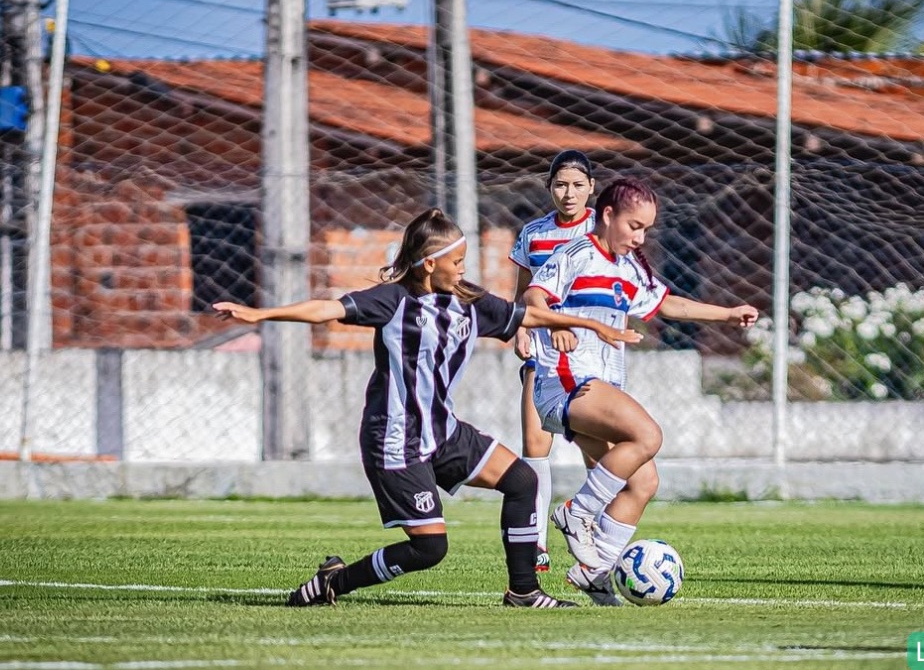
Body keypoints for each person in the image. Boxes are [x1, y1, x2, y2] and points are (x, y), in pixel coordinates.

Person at [214, 208, 641, 609]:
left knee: (521, 480)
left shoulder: (468, 301)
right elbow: (326, 309)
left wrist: (588, 324)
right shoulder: (393, 301)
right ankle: (333, 582)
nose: (463, 267)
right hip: (395, 439)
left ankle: (524, 591)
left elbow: (527, 316)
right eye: (457, 260)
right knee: (430, 548)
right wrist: (260, 314)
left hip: (444, 432)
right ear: (430, 263)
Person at [522, 177, 758, 604]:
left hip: (598, 390)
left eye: (647, 229)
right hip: (565, 383)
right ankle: (577, 513)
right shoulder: (575, 254)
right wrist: (558, 327)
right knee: (648, 436)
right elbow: (533, 297)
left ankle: (595, 571)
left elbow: (668, 304)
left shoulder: (630, 269)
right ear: (607, 215)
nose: (640, 236)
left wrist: (726, 314)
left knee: (643, 482)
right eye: (634, 225)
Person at [509, 149, 598, 573]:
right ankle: (537, 543)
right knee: (534, 444)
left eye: (578, 185)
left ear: (592, 189)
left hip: (591, 356)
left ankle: (591, 527)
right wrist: (521, 330)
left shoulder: (602, 229)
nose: (569, 193)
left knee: (596, 448)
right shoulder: (533, 234)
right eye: (561, 184)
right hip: (543, 356)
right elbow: (522, 292)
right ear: (549, 188)